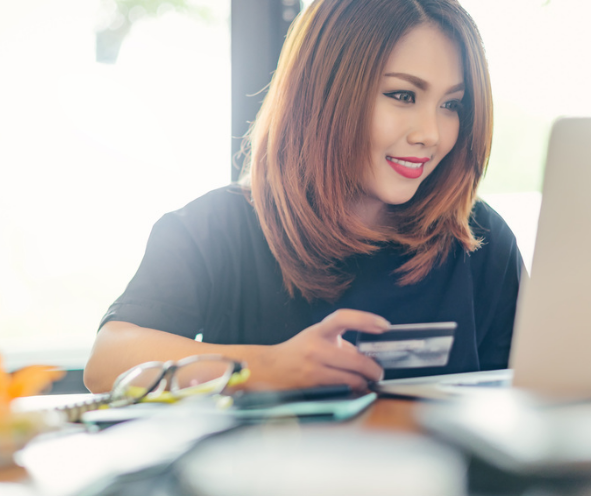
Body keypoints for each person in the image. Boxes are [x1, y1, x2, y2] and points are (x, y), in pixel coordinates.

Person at [84, 0, 523, 394]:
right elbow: (107, 363)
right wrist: (265, 366)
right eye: (402, 95)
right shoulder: (217, 226)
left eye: (452, 105)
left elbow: (533, 389)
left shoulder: (479, 238)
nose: (430, 134)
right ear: (325, 91)